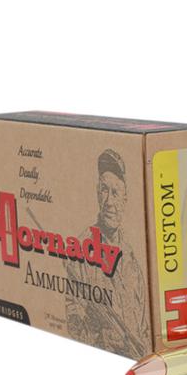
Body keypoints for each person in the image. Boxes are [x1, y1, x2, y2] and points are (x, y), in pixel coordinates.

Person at [65, 149, 150, 358]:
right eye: (104, 190)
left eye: (115, 193)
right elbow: (73, 322)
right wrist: (102, 340)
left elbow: (144, 327)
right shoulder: (82, 249)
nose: (109, 202)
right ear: (97, 193)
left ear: (125, 199)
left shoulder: (131, 258)